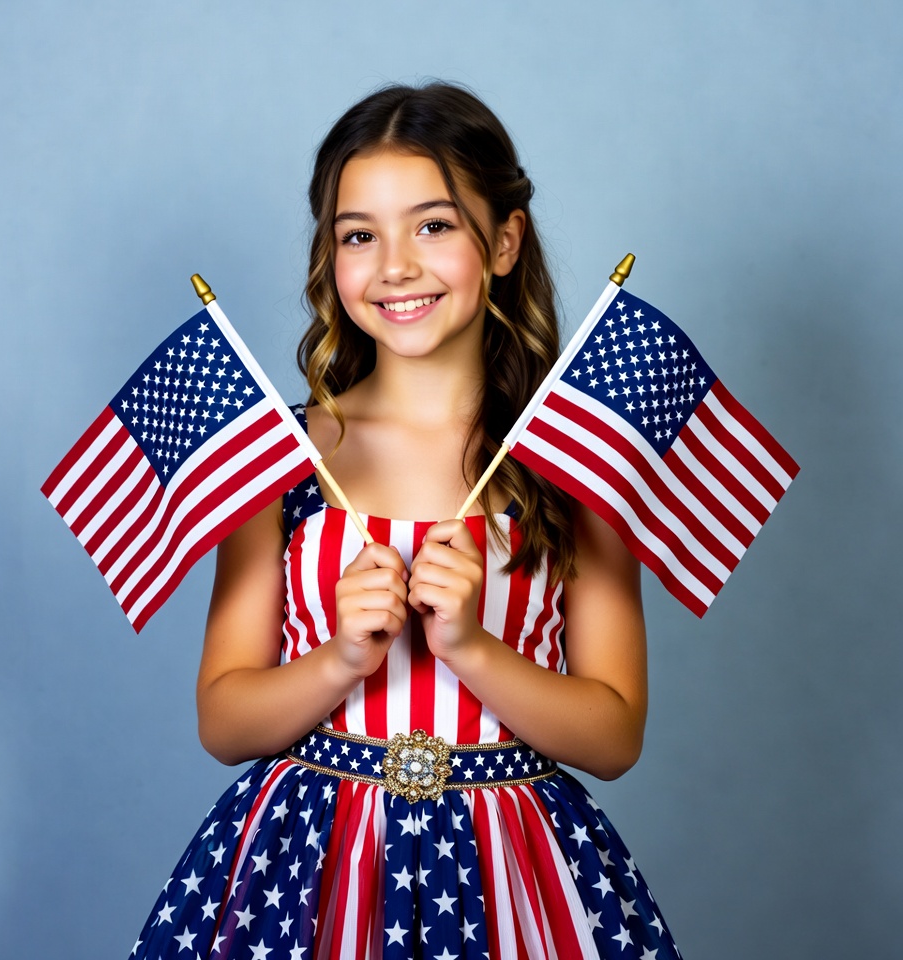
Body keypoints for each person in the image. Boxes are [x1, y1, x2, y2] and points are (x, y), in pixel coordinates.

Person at [130, 83, 682, 960]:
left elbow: (614, 737)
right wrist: (339, 659)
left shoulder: (578, 460)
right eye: (359, 234)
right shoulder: (278, 457)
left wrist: (472, 648)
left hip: (517, 874)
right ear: (329, 256)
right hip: (304, 868)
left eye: (433, 225)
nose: (395, 265)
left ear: (504, 241)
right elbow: (223, 721)